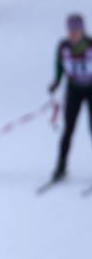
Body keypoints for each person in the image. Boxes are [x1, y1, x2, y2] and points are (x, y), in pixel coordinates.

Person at [48, 13, 91, 182]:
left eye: (76, 30)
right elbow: (59, 65)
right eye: (71, 29)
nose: (73, 33)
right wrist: (56, 82)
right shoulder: (63, 46)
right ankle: (61, 167)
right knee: (68, 130)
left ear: (82, 30)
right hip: (74, 90)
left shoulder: (90, 45)